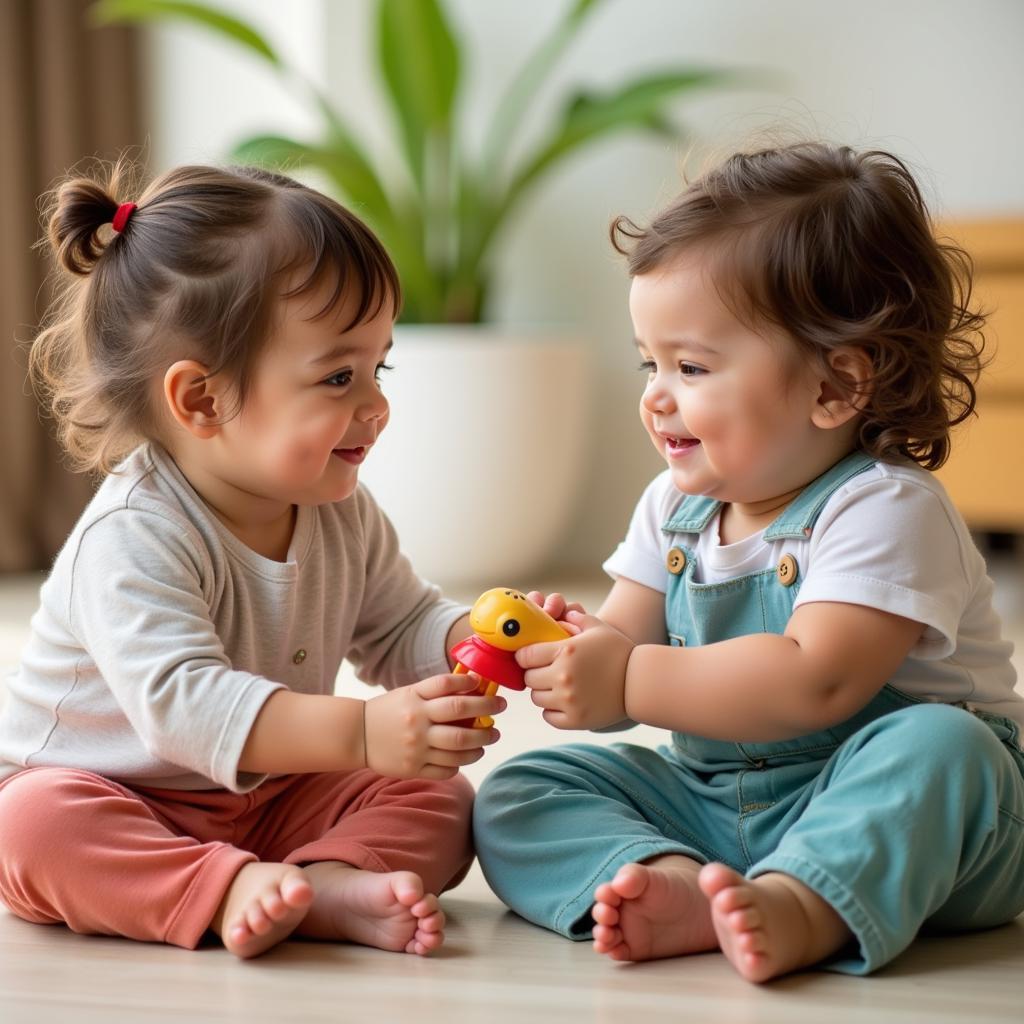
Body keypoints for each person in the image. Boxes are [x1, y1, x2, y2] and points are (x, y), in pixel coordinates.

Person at [473, 141, 1024, 982]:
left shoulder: (884, 508)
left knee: (944, 747)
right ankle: (675, 885)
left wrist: (625, 678)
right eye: (648, 362)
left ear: (835, 387)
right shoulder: (672, 506)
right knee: (524, 790)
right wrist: (578, 654)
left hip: (912, 821)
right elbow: (624, 648)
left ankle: (808, 905)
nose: (656, 394)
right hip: (720, 802)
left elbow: (816, 683)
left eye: (691, 366)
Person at [0, 161, 506, 959]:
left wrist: (481, 639)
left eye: (381, 366)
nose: (375, 404)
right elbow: (184, 707)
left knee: (440, 799)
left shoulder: (339, 511)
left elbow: (399, 623)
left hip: (270, 794)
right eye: (339, 375)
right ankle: (223, 886)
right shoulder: (133, 536)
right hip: (118, 793)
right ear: (202, 399)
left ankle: (326, 882)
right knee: (31, 830)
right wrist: (365, 732)